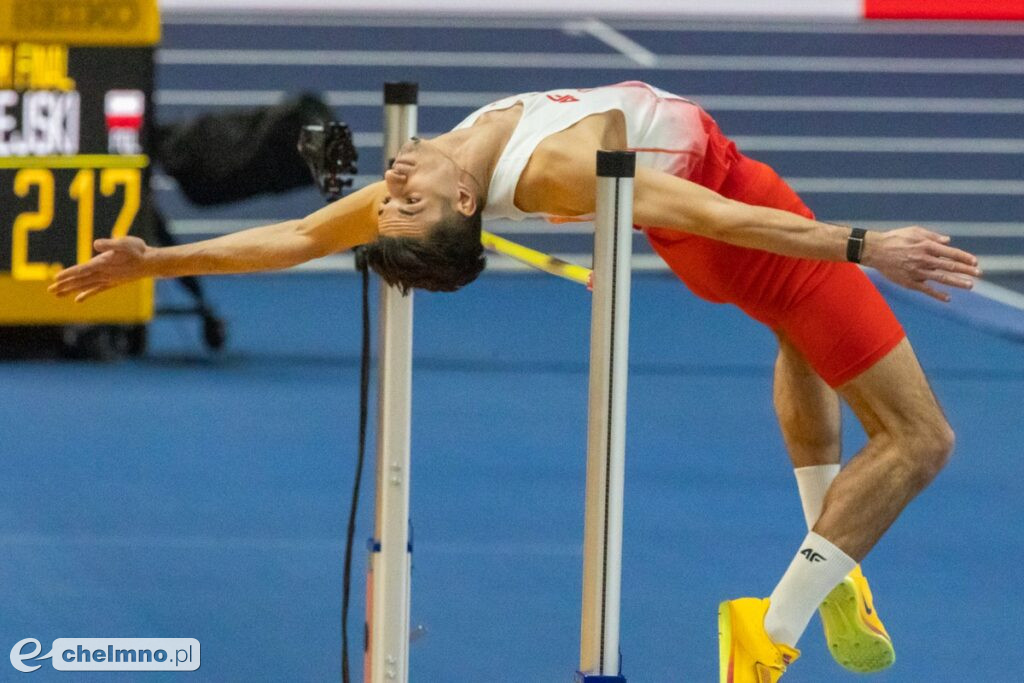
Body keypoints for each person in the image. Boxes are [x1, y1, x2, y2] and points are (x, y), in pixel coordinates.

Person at [50, 81, 980, 682]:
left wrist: (149, 264)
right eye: (402, 197)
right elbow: (726, 218)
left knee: (797, 337)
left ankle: (834, 571)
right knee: (919, 440)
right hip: (739, 218)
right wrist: (867, 244)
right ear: (463, 207)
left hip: (721, 229)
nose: (391, 181)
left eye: (393, 198)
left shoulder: (442, 172)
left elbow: (294, 238)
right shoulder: (562, 168)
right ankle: (770, 628)